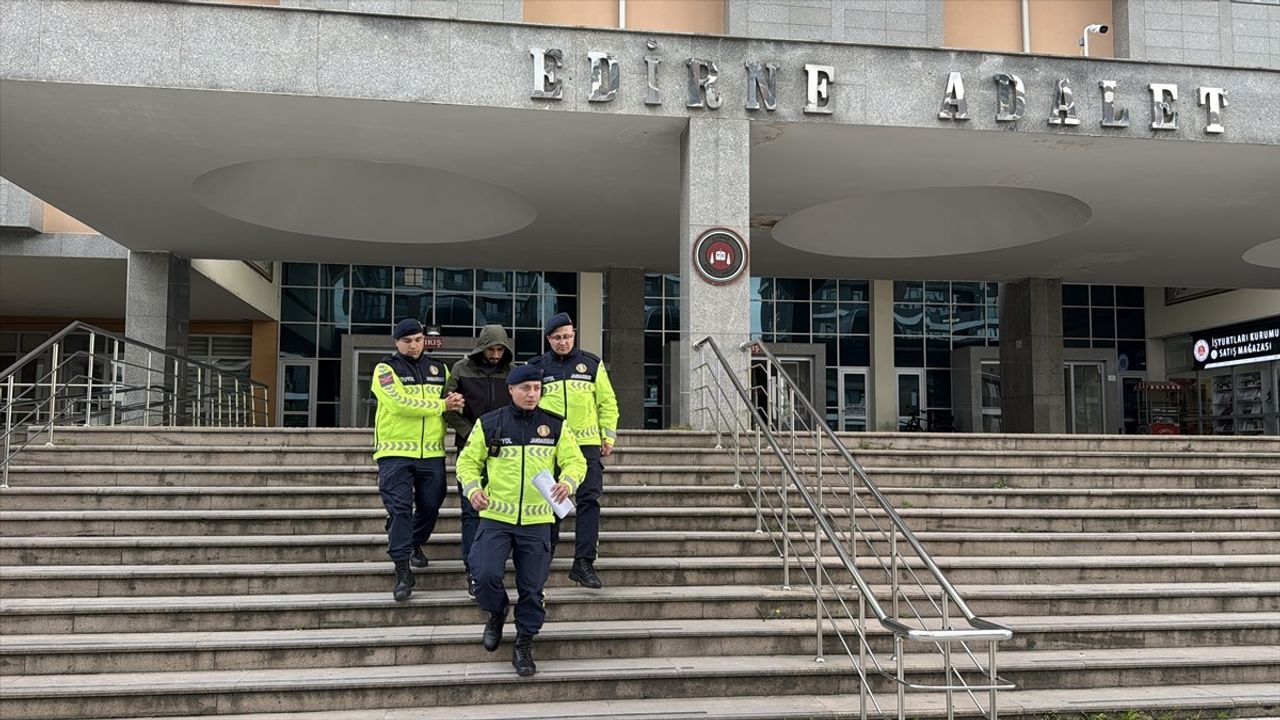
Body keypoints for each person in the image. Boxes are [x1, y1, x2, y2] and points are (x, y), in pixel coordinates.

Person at [456, 364, 586, 677]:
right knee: (483, 575)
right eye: (525, 389)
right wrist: (473, 490)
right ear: (511, 390)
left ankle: (524, 643)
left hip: (538, 521)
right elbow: (467, 463)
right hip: (496, 517)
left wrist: (568, 481)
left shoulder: (555, 425)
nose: (531, 394)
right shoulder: (489, 423)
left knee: (532, 589)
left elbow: (575, 461)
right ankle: (497, 612)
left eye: (537, 389)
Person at [371, 318, 465, 601]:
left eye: (418, 340)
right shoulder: (385, 369)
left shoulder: (439, 369)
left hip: (432, 453)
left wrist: (456, 403)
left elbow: (451, 400)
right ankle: (402, 570)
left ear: (425, 340)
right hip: (395, 453)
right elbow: (398, 403)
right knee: (400, 510)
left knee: (431, 506)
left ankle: (412, 542)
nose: (413, 345)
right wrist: (441, 405)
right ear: (397, 343)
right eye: (407, 340)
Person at [526, 312, 618, 589]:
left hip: (587, 444)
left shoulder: (591, 364)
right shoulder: (537, 366)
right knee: (550, 503)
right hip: (549, 446)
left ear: (574, 334)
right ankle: (545, 556)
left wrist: (609, 436)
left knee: (589, 501)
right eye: (557, 338)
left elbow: (608, 402)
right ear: (548, 339)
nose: (563, 342)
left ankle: (584, 563)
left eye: (567, 336)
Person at [443, 324, 514, 598]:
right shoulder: (461, 369)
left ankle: (493, 568)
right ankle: (473, 571)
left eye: (500, 349)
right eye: (491, 349)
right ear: (482, 347)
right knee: (471, 512)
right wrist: (471, 433)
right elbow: (448, 410)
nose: (495, 354)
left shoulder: (511, 372)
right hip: (470, 450)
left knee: (500, 511)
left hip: (505, 453)